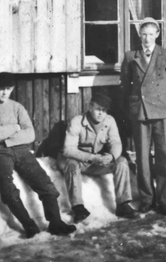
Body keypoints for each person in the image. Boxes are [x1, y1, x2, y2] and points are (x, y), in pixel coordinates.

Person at [0, 74, 75, 238]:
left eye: (8, 89)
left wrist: (7, 135)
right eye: (1, 89)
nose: (4, 93)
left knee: (43, 181)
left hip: (21, 150)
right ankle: (29, 225)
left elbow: (30, 134)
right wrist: (15, 127)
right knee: (7, 188)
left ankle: (56, 222)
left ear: (12, 89)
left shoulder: (17, 107)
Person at [119, 20, 166, 215]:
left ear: (157, 34)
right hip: (141, 111)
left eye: (151, 34)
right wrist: (136, 102)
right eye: (144, 34)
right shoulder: (130, 56)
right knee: (143, 157)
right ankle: (146, 198)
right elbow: (125, 86)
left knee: (164, 156)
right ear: (140, 35)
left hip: (163, 112)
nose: (147, 38)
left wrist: (163, 100)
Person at [57, 89, 138, 222]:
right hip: (75, 161)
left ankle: (123, 204)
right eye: (98, 109)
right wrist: (93, 158)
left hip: (96, 161)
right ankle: (78, 208)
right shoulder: (77, 121)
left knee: (122, 161)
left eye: (104, 110)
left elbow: (116, 143)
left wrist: (111, 157)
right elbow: (68, 150)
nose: (101, 113)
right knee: (72, 164)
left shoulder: (110, 121)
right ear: (90, 107)